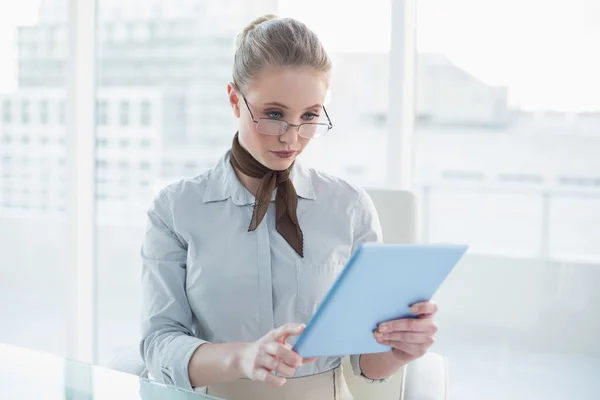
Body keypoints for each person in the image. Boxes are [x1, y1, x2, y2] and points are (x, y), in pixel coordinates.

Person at [140, 14, 438, 400]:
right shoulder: (176, 208)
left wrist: (399, 350)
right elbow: (158, 343)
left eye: (310, 116)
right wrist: (243, 358)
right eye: (274, 115)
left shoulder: (349, 208)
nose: (292, 137)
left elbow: (366, 363)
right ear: (235, 100)